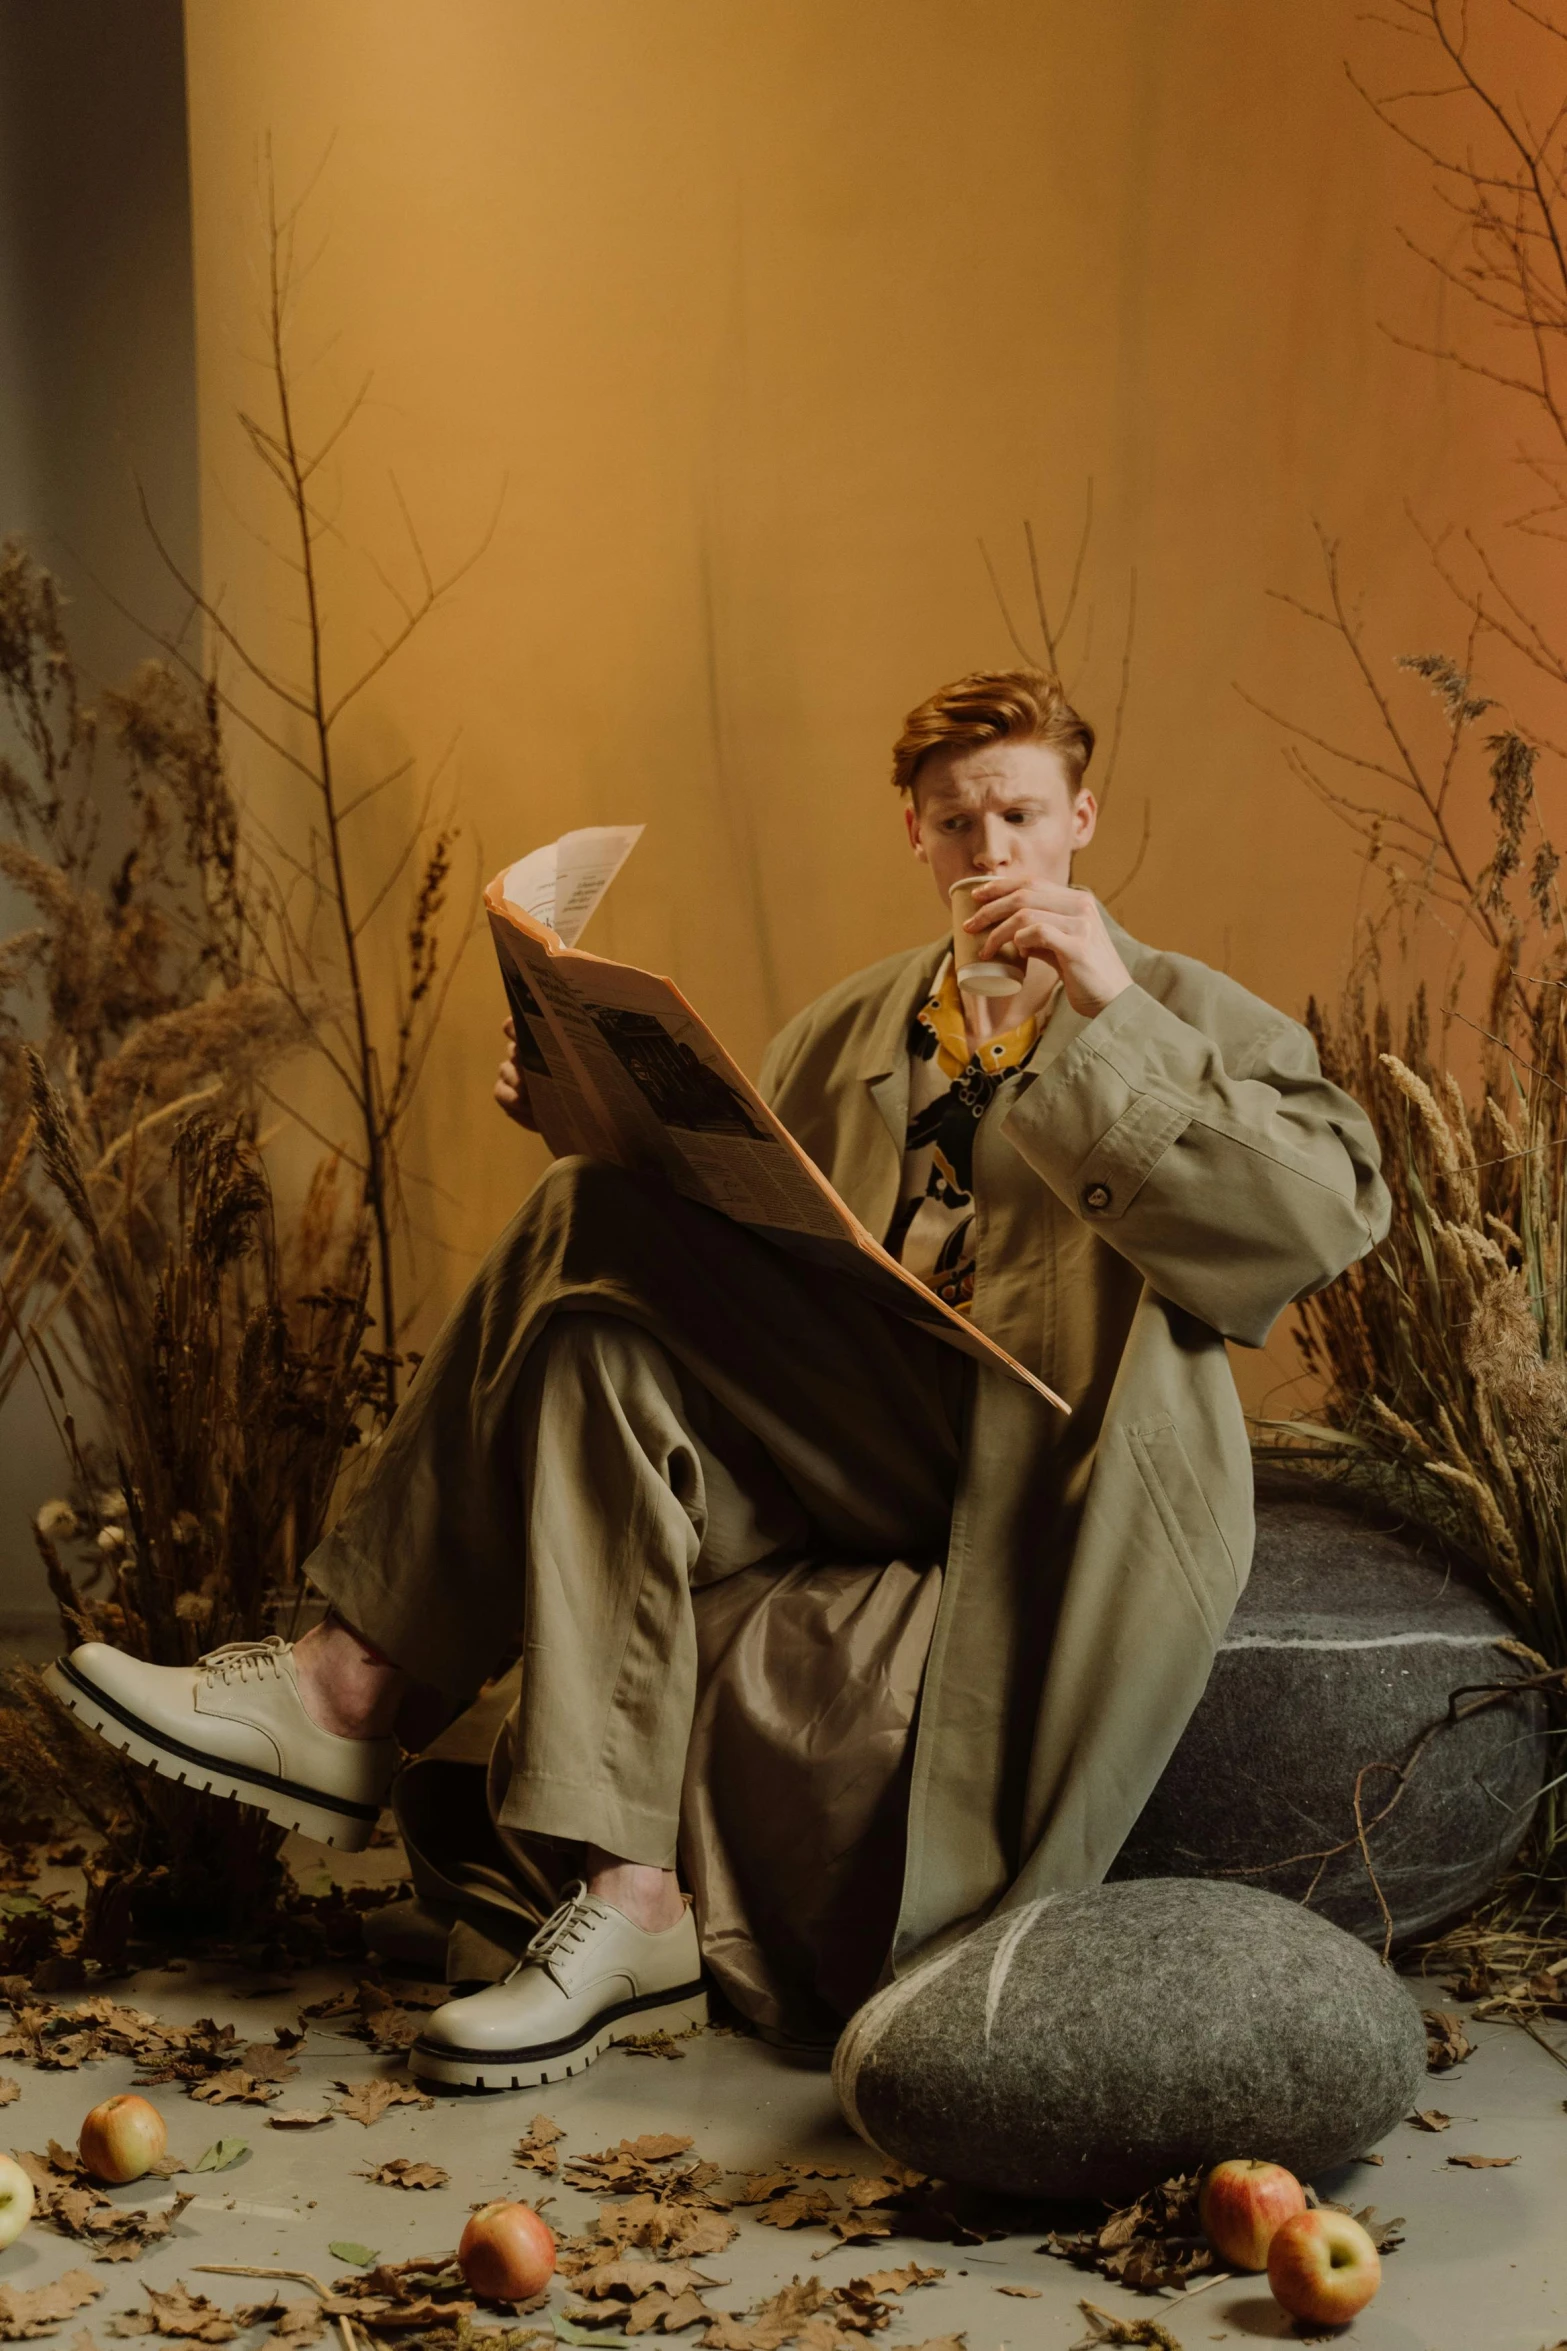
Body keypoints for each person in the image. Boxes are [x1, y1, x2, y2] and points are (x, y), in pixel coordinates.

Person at [46, 669, 1389, 2090]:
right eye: (954, 823)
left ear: (1080, 819)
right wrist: (588, 1115)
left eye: (1017, 814)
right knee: (598, 1339)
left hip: (1038, 1449)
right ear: (913, 839)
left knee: (593, 1245)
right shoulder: (841, 1031)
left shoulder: (1187, 1009)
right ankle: (631, 1900)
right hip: (845, 1437)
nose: (988, 852)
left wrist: (1106, 1008)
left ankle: (348, 1678)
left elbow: (1312, 1224)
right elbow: (734, 1254)